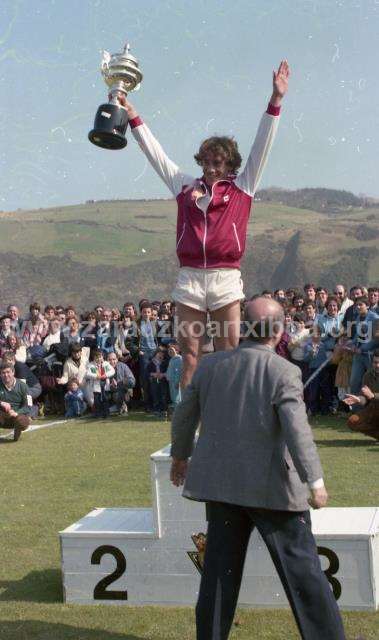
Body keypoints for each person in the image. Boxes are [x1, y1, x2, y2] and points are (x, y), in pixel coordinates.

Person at [170, 297, 346, 640]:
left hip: (222, 489)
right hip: (274, 490)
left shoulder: (209, 366)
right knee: (304, 576)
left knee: (218, 576)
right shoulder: (285, 371)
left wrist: (180, 456)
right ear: (279, 331)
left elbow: (183, 417)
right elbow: (297, 430)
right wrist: (316, 482)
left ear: (243, 328)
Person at [116, 61, 290, 388]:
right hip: (190, 279)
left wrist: (276, 101)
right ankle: (190, 427)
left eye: (218, 162)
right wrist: (133, 114)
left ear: (230, 164)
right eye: (206, 161)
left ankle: (227, 423)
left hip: (226, 278)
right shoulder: (184, 186)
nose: (210, 168)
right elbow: (155, 154)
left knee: (228, 354)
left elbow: (262, 145)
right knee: (190, 358)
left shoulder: (243, 186)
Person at [343, 349, 379, 440]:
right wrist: (358, 399)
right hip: (373, 409)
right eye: (375, 362)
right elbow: (365, 397)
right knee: (352, 422)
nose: (377, 365)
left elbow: (371, 395)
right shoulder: (368, 375)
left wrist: (373, 396)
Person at [0, 362, 31, 441]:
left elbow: (29, 406)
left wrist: (16, 413)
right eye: (3, 373)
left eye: (8, 372)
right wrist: (1, 403)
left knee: (22, 421)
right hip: (2, 417)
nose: (6, 375)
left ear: (13, 372)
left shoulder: (23, 386)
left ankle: (16, 436)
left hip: (17, 416)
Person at [85, 348, 115, 418]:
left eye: (100, 357)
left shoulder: (106, 364)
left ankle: (106, 414)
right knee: (97, 401)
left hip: (105, 386)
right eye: (96, 357)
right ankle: (97, 414)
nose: (99, 359)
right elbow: (87, 374)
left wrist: (106, 375)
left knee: (105, 400)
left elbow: (112, 371)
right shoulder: (91, 365)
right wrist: (96, 376)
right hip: (96, 387)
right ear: (93, 357)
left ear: (102, 356)